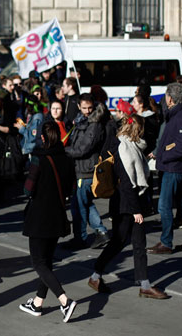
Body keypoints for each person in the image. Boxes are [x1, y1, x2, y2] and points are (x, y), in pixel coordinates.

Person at [87, 115, 169, 299]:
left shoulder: (131, 147)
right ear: (137, 130)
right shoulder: (124, 149)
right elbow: (126, 182)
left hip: (128, 202)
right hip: (126, 204)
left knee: (138, 243)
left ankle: (144, 285)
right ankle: (96, 275)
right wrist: (136, 211)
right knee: (119, 242)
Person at [19, 121, 78, 322]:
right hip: (58, 216)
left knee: (38, 262)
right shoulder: (67, 159)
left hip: (39, 217)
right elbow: (71, 189)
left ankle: (65, 301)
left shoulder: (39, 159)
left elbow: (28, 190)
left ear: (43, 138)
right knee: (47, 261)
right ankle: (37, 303)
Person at [149, 83, 182, 254]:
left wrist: (163, 155)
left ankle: (166, 242)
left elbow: (181, 146)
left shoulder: (179, 117)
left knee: (164, 206)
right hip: (176, 167)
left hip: (174, 168)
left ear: (170, 99)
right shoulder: (179, 115)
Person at [65, 93, 109, 249]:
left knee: (79, 206)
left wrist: (64, 151)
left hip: (86, 169)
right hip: (80, 168)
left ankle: (81, 237)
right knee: (85, 203)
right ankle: (101, 232)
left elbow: (83, 148)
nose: (87, 111)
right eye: (84, 108)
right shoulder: (81, 121)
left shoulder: (94, 123)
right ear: (78, 106)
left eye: (90, 107)